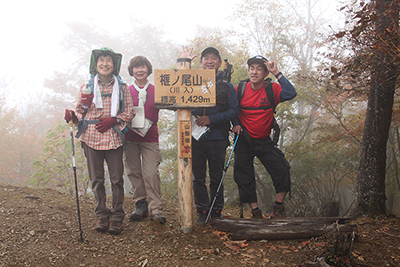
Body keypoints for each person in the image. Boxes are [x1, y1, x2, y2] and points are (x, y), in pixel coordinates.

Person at [64, 47, 135, 235]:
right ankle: (102, 215)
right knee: (96, 179)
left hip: (113, 136)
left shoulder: (122, 87)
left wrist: (115, 119)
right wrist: (72, 115)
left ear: (114, 65)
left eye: (109, 61)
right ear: (95, 65)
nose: (105, 64)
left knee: (116, 179)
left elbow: (129, 112)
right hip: (91, 135)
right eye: (101, 60)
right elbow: (80, 110)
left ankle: (117, 217)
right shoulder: (87, 86)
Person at [232, 55, 297, 219]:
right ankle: (255, 211)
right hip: (244, 139)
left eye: (259, 69)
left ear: (265, 73)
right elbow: (230, 108)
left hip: (264, 140)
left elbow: (290, 93)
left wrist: (277, 72)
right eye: (251, 68)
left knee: (281, 169)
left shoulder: (272, 89)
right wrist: (235, 122)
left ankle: (278, 208)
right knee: (243, 174)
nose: (254, 72)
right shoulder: (240, 89)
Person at [180, 47, 239, 223]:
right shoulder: (191, 81)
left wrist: (210, 119)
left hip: (218, 137)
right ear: (201, 62)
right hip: (194, 136)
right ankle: (202, 211)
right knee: (198, 176)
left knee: (216, 176)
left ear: (220, 63)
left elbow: (234, 110)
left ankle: (216, 211)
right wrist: (184, 62)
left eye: (214, 58)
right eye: (206, 58)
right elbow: (175, 91)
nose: (210, 61)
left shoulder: (227, 86)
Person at [123, 56, 166, 224]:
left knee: (151, 173)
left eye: (142, 67)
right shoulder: (126, 90)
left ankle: (156, 209)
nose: (139, 70)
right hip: (130, 137)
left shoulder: (157, 90)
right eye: (136, 67)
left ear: (148, 69)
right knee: (133, 171)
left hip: (150, 138)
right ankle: (140, 204)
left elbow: (174, 102)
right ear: (131, 71)